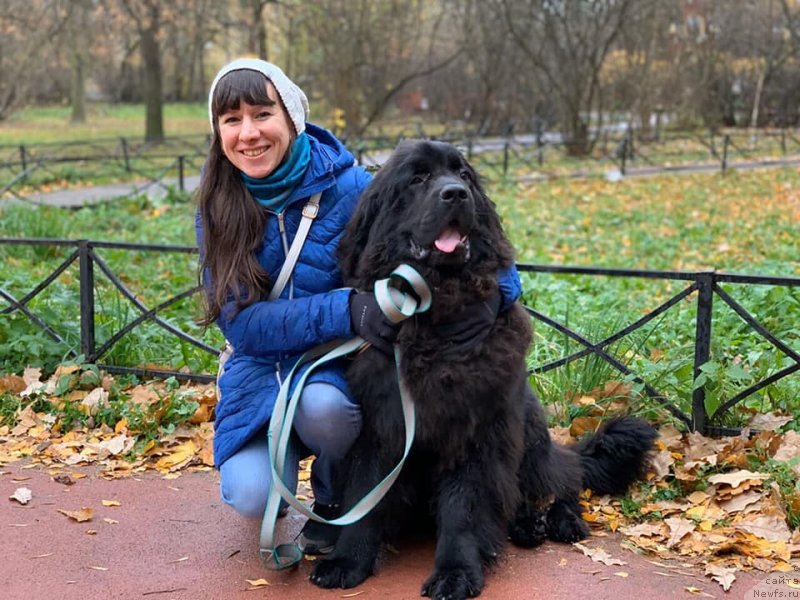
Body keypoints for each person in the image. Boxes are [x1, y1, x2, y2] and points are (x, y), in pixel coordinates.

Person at [195, 57, 522, 555]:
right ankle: (286, 488)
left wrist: (502, 291)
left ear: (291, 117)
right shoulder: (217, 207)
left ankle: (334, 500)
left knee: (330, 409)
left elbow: (461, 226)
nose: (249, 133)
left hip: (331, 366)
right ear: (218, 131)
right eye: (231, 120)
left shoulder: (350, 187)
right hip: (260, 369)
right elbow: (242, 326)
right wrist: (348, 308)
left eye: (262, 114)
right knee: (250, 494)